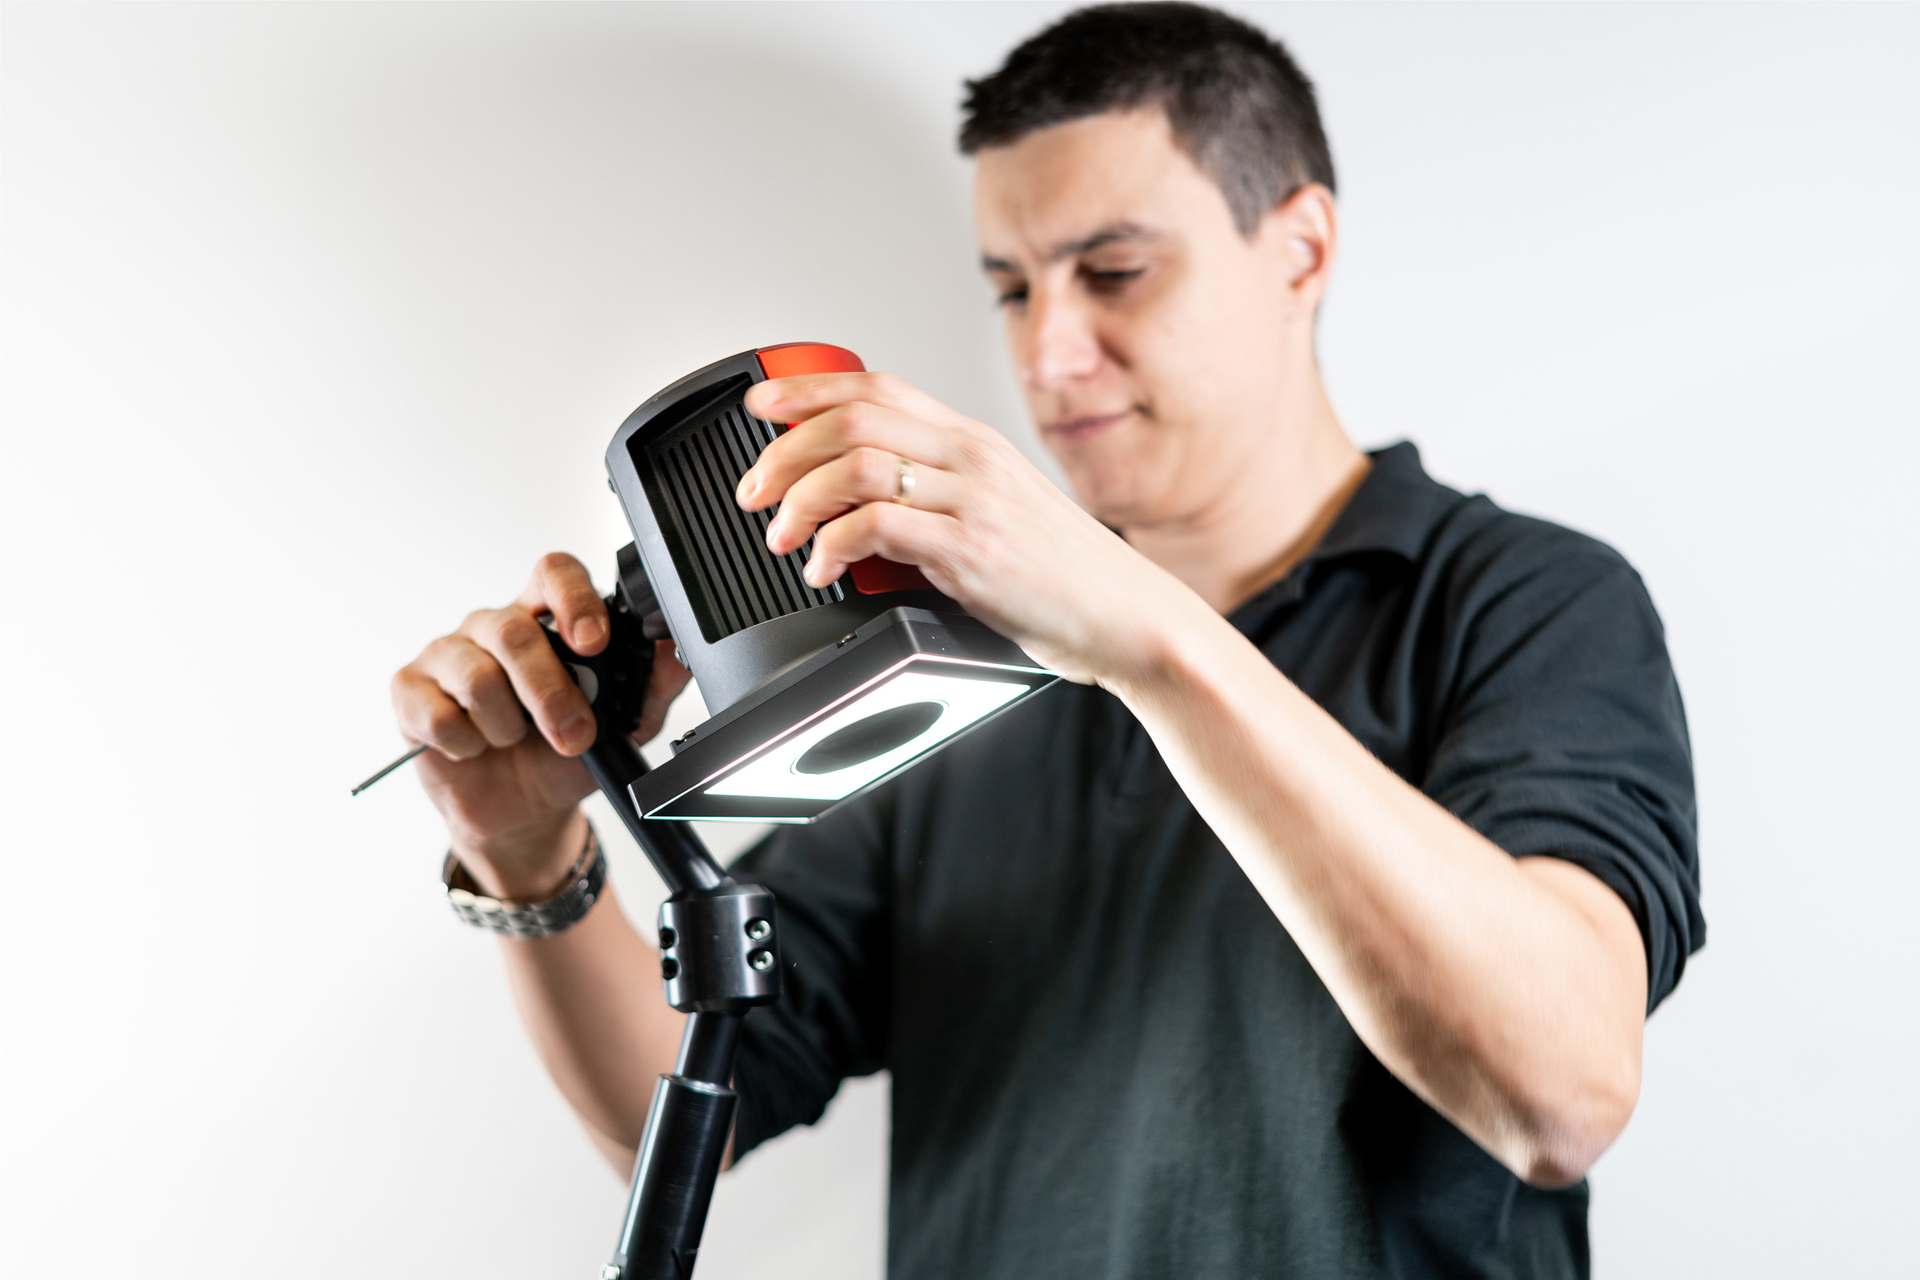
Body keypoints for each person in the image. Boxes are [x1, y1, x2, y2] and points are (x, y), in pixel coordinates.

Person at [389, 5, 1703, 1276]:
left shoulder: (1523, 600)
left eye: (1116, 271)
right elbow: (681, 1116)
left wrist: (1145, 635)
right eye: (1013, 289)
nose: (1049, 352)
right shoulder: (942, 661)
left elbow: (1560, 1096)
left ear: (1300, 251)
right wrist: (527, 859)